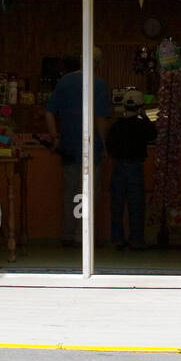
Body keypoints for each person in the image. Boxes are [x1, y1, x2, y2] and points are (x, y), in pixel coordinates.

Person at [44, 49, 110, 247]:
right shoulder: (98, 84)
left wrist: (55, 136)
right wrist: (105, 144)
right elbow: (100, 119)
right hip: (91, 147)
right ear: (97, 63)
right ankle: (84, 235)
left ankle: (68, 234)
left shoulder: (64, 82)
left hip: (69, 146)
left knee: (71, 191)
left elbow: (48, 112)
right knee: (88, 193)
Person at [107, 88, 156, 250]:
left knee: (117, 205)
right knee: (136, 206)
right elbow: (154, 134)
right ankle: (136, 239)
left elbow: (110, 146)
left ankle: (117, 239)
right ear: (140, 106)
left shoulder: (116, 126)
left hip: (119, 167)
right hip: (135, 166)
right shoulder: (142, 126)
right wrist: (145, 117)